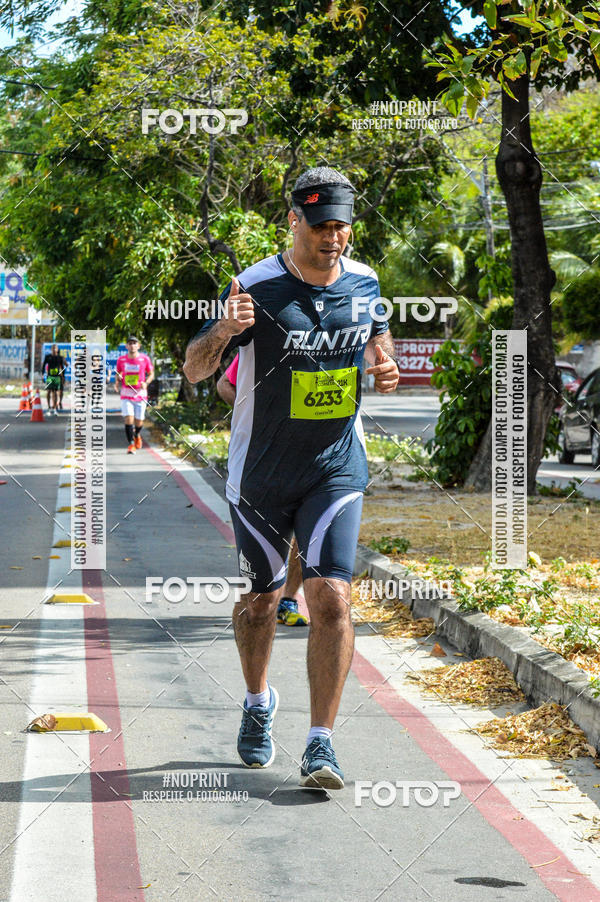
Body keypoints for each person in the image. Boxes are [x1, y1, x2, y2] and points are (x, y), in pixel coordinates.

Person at [183, 166, 399, 790]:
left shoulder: (365, 282)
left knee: (331, 595)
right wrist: (224, 328)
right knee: (261, 603)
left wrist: (383, 371)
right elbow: (196, 371)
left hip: (336, 466)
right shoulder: (255, 286)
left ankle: (321, 744)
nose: (333, 239)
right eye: (321, 227)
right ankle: (257, 704)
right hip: (262, 474)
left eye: (342, 228)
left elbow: (378, 349)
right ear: (293, 222)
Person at [217, 354, 308, 627]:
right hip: (265, 463)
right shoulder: (271, 341)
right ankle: (264, 597)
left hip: (314, 460)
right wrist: (256, 414)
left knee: (306, 537)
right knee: (274, 545)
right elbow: (225, 383)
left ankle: (288, 599)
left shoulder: (331, 342)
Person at [115, 336, 154, 453]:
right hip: (126, 394)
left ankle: (137, 434)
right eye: (130, 343)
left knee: (139, 421)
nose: (132, 345)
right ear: (126, 346)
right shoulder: (121, 360)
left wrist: (146, 383)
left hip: (140, 393)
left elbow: (151, 374)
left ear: (138, 345)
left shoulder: (144, 359)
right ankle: (131, 444)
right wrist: (118, 379)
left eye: (134, 343)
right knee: (128, 419)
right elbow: (118, 373)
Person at [42, 344, 65, 416]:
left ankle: (55, 409)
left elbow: (62, 367)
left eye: (55, 348)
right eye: (53, 348)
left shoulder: (60, 358)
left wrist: (62, 377)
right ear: (51, 349)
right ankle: (49, 408)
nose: (54, 350)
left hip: (57, 377)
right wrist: (43, 375)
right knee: (49, 391)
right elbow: (43, 366)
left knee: (55, 392)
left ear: (57, 349)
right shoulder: (48, 357)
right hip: (50, 376)